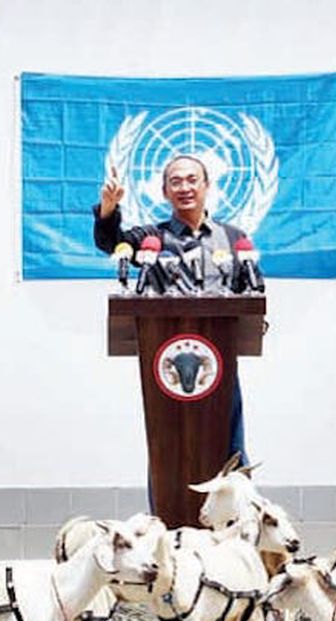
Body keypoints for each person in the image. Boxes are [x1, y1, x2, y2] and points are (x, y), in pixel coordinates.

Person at [93, 155, 248, 464]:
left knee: (228, 446)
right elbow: (111, 242)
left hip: (216, 361)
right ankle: (167, 511)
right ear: (164, 192)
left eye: (192, 180)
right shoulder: (151, 238)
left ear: (207, 186)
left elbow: (248, 293)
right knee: (169, 449)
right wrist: (109, 209)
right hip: (166, 365)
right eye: (175, 181)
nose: (184, 187)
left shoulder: (232, 238)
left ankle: (234, 511)